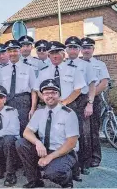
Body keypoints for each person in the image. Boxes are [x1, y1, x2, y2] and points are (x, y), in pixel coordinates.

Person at [35, 40, 87, 181]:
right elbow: (37, 90)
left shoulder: (73, 69)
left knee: (74, 137)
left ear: (63, 53)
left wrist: (64, 102)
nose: (55, 56)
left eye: (57, 52)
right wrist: (48, 101)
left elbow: (78, 89)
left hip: (69, 106)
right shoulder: (44, 71)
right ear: (48, 55)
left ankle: (76, 169)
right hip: (50, 107)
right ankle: (57, 164)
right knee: (55, 135)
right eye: (51, 53)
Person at [16, 79, 79, 188]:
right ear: (42, 96)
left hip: (64, 152)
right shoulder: (39, 112)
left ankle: (67, 180)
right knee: (21, 143)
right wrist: (38, 143)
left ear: (59, 95)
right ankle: (34, 180)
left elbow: (71, 143)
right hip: (45, 149)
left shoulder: (69, 114)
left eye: (53, 93)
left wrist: (49, 158)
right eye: (46, 93)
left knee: (52, 173)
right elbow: (27, 132)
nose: (50, 96)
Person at [65, 36, 97, 175]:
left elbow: (92, 86)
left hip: (82, 100)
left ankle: (84, 164)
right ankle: (71, 163)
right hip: (68, 99)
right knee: (68, 132)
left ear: (79, 49)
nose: (72, 50)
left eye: (75, 47)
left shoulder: (86, 65)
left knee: (84, 133)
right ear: (66, 49)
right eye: (70, 47)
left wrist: (90, 104)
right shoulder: (62, 65)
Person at [0, 39, 38, 136]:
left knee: (24, 131)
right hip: (8, 102)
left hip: (23, 103)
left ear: (20, 51)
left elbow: (34, 90)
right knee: (9, 131)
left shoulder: (28, 68)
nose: (12, 53)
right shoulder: (2, 71)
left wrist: (32, 109)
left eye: (15, 50)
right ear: (7, 53)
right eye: (10, 51)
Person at [81, 37, 110, 168]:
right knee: (83, 131)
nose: (86, 50)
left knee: (93, 130)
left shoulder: (100, 64)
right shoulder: (77, 64)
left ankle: (95, 157)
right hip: (79, 99)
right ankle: (84, 158)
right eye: (84, 48)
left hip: (94, 99)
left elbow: (104, 83)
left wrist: (90, 96)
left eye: (89, 48)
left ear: (93, 49)